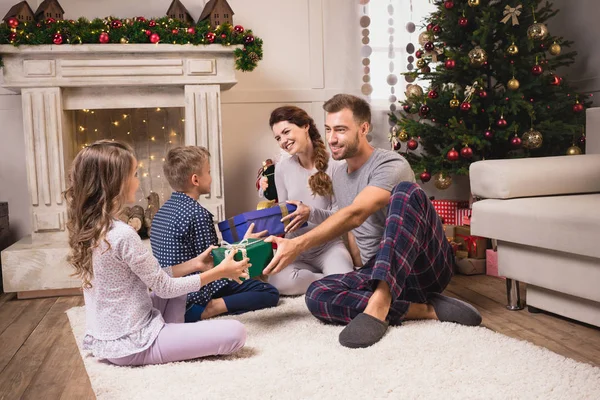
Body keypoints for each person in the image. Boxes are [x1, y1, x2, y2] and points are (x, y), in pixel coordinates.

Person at [263, 94, 482, 348]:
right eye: (329, 130)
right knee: (317, 295)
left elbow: (356, 213)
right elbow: (348, 224)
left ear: (364, 128)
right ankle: (425, 310)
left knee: (406, 192)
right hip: (377, 270)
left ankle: (380, 301)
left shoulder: (390, 163)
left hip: (422, 266)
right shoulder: (341, 177)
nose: (332, 138)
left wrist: (299, 244)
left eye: (341, 130)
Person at [64, 140, 248, 366]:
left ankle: (174, 337)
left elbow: (154, 276)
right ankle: (172, 339)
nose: (137, 181)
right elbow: (164, 287)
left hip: (114, 334)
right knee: (236, 332)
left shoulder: (94, 227)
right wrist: (220, 272)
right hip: (134, 344)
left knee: (181, 285)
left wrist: (195, 264)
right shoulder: (122, 234)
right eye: (134, 174)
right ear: (117, 183)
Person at [150, 146, 280, 322]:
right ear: (195, 180)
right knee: (268, 292)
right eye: (209, 172)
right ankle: (209, 309)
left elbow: (201, 257)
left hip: (169, 294)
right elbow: (215, 264)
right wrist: (246, 247)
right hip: (195, 294)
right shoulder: (198, 214)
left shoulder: (162, 212)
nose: (211, 178)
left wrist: (242, 242)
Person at [261, 106, 354, 295]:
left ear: (305, 126)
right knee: (278, 283)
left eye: (286, 132)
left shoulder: (336, 166)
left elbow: (342, 218)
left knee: (347, 284)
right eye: (278, 138)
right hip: (294, 248)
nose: (283, 141)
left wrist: (310, 212)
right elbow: (283, 213)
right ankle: (326, 281)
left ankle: (330, 278)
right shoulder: (281, 169)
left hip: (328, 246)